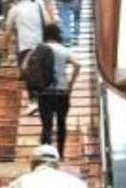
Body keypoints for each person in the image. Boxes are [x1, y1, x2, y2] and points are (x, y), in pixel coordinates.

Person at [23, 23, 79, 157]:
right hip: (62, 91)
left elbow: (24, 67)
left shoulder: (39, 49)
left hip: (44, 92)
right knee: (61, 123)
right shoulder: (63, 49)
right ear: (58, 35)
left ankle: (45, 156)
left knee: (46, 126)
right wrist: (70, 84)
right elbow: (77, 65)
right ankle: (61, 153)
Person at [3, 0, 52, 115]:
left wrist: (4, 48)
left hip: (25, 46)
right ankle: (40, 101)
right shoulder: (38, 6)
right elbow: (49, 23)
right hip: (40, 45)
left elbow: (8, 30)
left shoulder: (15, 9)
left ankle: (33, 101)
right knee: (39, 73)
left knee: (27, 73)